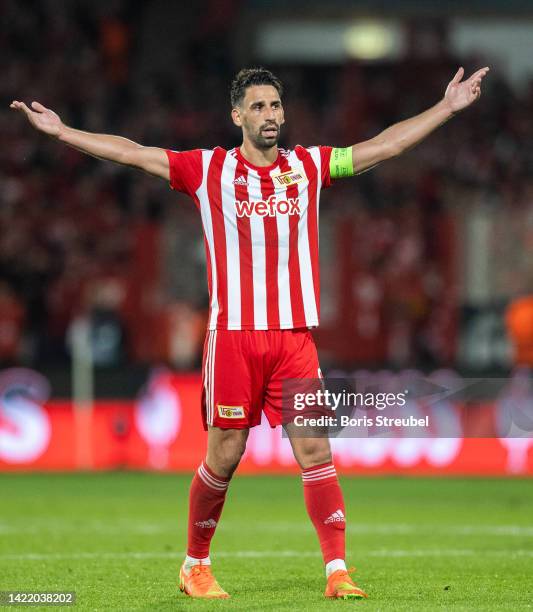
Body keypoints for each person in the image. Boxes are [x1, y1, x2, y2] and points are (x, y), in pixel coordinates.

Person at [11, 63, 489, 600]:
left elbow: (383, 146)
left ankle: (337, 572)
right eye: (258, 106)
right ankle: (194, 565)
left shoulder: (308, 166)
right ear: (236, 115)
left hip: (294, 341)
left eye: (276, 106)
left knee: (314, 450)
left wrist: (446, 107)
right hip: (234, 337)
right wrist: (64, 132)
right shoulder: (207, 170)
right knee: (225, 453)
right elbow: (131, 150)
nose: (270, 115)